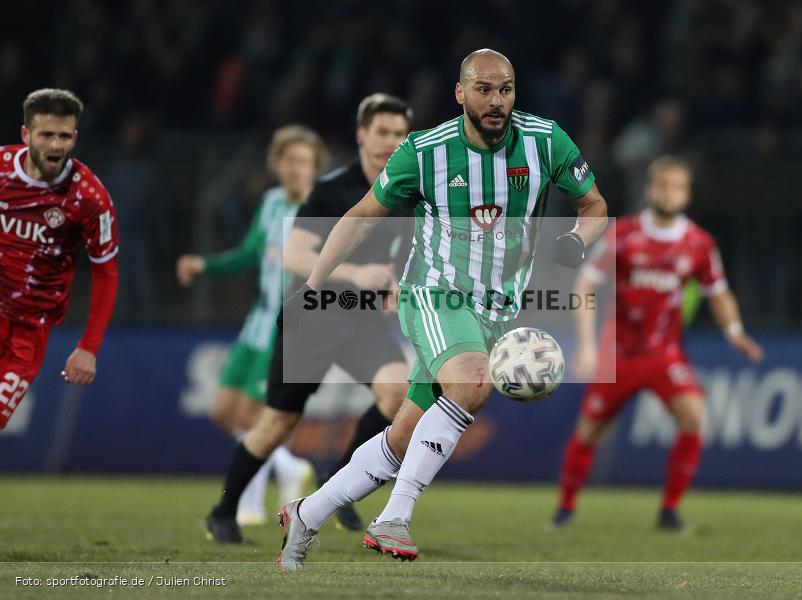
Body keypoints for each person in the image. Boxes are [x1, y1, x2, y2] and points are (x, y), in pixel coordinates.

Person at [275, 48, 609, 571]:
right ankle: (394, 518)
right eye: (484, 89)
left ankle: (306, 511)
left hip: (495, 311)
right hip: (433, 292)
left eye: (505, 89)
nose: (496, 100)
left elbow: (595, 205)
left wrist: (576, 238)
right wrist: (312, 286)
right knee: (474, 381)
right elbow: (362, 217)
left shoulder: (546, 141)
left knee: (404, 436)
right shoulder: (424, 151)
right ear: (461, 93)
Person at [205, 94, 414, 543]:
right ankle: (223, 509)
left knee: (398, 393)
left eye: (399, 134)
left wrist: (398, 284)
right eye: (382, 132)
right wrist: (359, 273)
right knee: (278, 422)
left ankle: (332, 491)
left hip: (362, 319)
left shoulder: (407, 193)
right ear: (362, 135)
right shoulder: (334, 189)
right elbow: (295, 253)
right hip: (314, 315)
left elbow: (404, 255)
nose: (390, 142)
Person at [551, 155, 764, 531]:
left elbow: (719, 293)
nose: (671, 193)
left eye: (678, 187)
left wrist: (735, 333)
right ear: (651, 190)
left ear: (687, 194)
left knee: (694, 417)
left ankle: (669, 511)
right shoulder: (625, 234)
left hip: (665, 353)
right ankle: (565, 508)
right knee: (589, 431)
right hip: (617, 352)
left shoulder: (698, 243)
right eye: (664, 185)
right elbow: (585, 283)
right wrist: (585, 346)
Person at [177, 125, 327, 525]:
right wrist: (205, 265)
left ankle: (250, 505)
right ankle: (291, 467)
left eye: (303, 161)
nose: (294, 169)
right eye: (287, 160)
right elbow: (249, 254)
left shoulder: (323, 207)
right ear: (276, 164)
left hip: (289, 325)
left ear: (316, 166)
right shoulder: (272, 201)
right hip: (255, 324)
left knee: (253, 417)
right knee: (223, 409)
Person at [0, 89, 118, 429]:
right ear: (26, 135)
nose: (56, 146)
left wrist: (89, 347)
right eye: (47, 135)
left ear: (75, 137)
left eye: (64, 136)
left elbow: (107, 273)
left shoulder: (89, 198)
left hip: (28, 331)